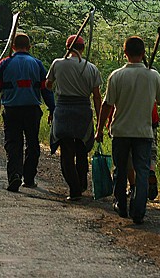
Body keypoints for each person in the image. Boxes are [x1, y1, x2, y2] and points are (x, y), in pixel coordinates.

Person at [95, 35, 160, 225]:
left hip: (121, 131)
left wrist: (99, 129)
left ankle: (121, 203)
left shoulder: (117, 76)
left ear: (125, 53)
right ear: (143, 54)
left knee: (120, 169)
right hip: (143, 132)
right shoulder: (154, 75)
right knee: (142, 170)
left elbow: (107, 105)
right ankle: (139, 209)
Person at [0, 32, 55, 192]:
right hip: (32, 110)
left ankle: (15, 175)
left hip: (11, 110)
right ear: (29, 47)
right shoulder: (37, 64)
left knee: (13, 143)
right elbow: (46, 89)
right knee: (32, 144)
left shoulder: (5, 63)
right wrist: (52, 109)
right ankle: (29, 178)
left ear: (13, 46)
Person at [46, 34, 101, 201]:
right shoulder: (91, 68)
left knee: (67, 152)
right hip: (83, 112)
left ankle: (74, 188)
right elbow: (97, 97)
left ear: (67, 48)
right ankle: (82, 183)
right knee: (82, 149)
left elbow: (48, 86)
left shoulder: (57, 63)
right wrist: (100, 121)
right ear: (82, 49)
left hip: (63, 111)